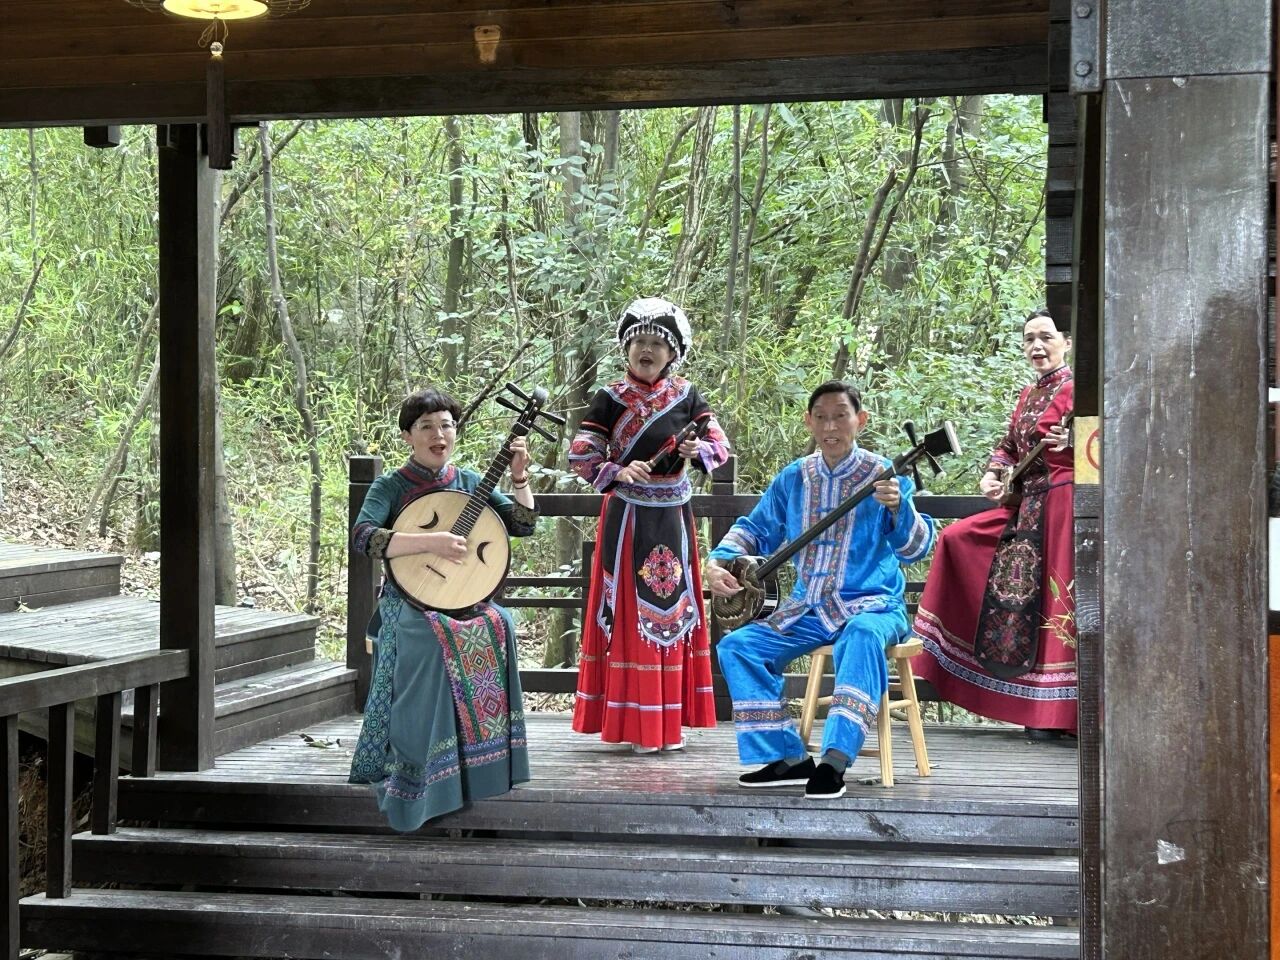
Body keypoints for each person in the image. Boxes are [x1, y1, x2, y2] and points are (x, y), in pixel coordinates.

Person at [706, 381, 936, 799]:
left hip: (873, 605)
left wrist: (898, 508)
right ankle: (788, 758)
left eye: (841, 416)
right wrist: (716, 561)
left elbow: (916, 548)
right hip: (808, 608)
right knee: (738, 647)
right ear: (809, 421)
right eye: (822, 417)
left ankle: (835, 759)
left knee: (862, 636)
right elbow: (755, 529)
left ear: (860, 420)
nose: (832, 426)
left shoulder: (885, 475)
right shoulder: (794, 477)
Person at [348, 386, 539, 831]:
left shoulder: (471, 481)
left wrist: (521, 478)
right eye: (426, 427)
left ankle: (482, 762)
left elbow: (523, 526)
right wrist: (431, 541)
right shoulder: (391, 485)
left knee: (501, 623)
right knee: (434, 639)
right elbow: (364, 537)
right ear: (408, 436)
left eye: (447, 426)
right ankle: (424, 767)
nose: (439, 435)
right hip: (408, 602)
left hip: (464, 600)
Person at [570, 297, 731, 753]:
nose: (646, 350)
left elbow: (719, 444)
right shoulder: (609, 398)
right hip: (628, 520)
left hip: (673, 520)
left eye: (656, 344)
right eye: (638, 341)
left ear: (673, 353)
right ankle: (635, 725)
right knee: (629, 614)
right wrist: (618, 471)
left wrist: (694, 453)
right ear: (625, 349)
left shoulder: (688, 397)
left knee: (673, 610)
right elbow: (581, 451)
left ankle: (668, 723)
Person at [912, 309, 1076, 739]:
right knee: (956, 538)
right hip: (1028, 506)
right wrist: (993, 471)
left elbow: (1108, 439)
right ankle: (1028, 705)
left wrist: (1072, 441)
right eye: (1029, 339)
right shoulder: (1027, 395)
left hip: (1064, 505)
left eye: (1045, 337)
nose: (1036, 346)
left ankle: (1059, 714)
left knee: (1056, 604)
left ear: (1068, 342)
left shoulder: (1082, 392)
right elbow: (1008, 446)